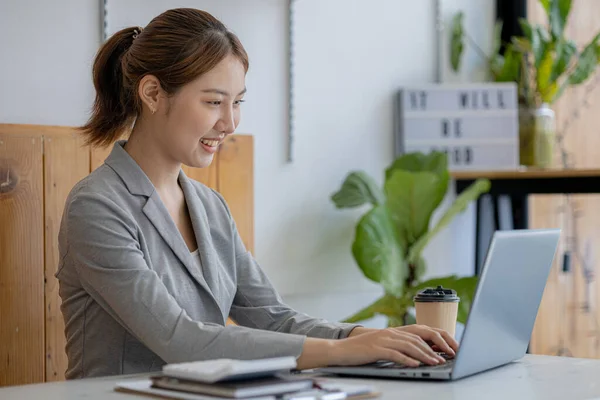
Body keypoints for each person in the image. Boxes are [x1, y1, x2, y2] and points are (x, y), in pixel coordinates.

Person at [56, 8, 458, 379]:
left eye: (238, 102)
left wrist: (359, 336)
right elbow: (182, 341)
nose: (229, 123)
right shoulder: (97, 207)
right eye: (214, 102)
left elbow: (273, 316)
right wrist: (342, 352)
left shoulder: (208, 206)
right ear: (153, 93)